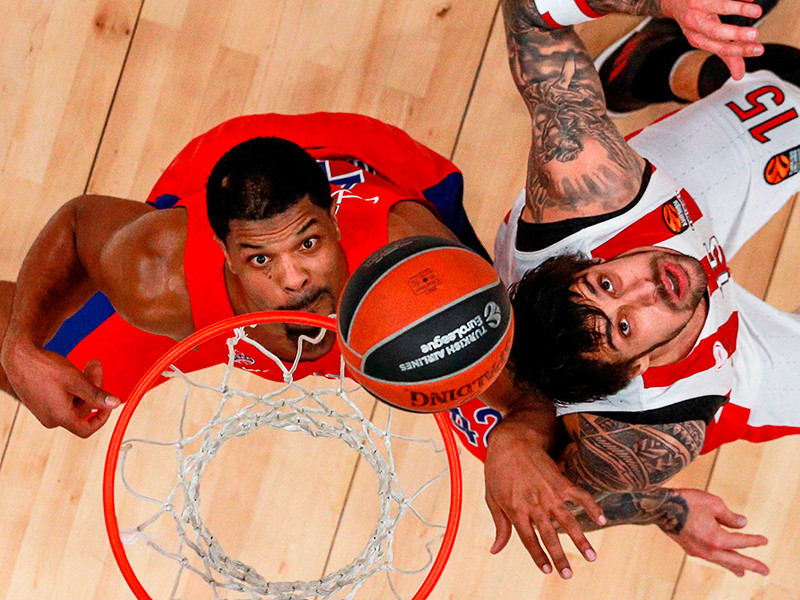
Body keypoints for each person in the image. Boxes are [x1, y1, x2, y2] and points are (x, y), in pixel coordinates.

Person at [451, 0, 800, 582]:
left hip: (668, 211)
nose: (648, 287)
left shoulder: (586, 189)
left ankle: (650, 63)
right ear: (634, 370)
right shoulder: (647, 427)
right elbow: (570, 503)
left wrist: (664, 1)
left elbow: (529, 12)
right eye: (624, 325)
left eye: (606, 282)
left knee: (787, 77)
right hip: (737, 365)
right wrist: (664, 509)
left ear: (585, 263)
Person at [0, 112, 487, 438]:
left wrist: (520, 425)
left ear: (335, 224)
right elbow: (78, 224)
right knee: (54, 376)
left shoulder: (417, 271)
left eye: (308, 244)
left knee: (515, 428)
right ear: (226, 256)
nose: (293, 280)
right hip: (222, 165)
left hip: (380, 160)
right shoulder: (160, 278)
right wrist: (20, 345)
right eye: (260, 260)